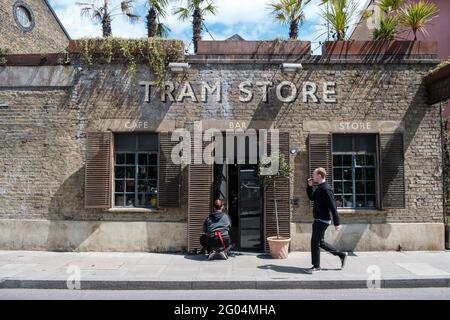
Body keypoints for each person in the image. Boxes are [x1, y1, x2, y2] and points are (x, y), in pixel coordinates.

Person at [306, 167, 348, 273]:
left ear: (319, 175)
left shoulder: (326, 189)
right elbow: (312, 197)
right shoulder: (320, 187)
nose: (312, 176)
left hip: (322, 220)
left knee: (315, 242)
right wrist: (309, 187)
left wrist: (337, 222)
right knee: (321, 242)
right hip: (319, 219)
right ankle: (341, 255)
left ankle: (316, 266)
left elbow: (333, 206)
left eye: (314, 174)